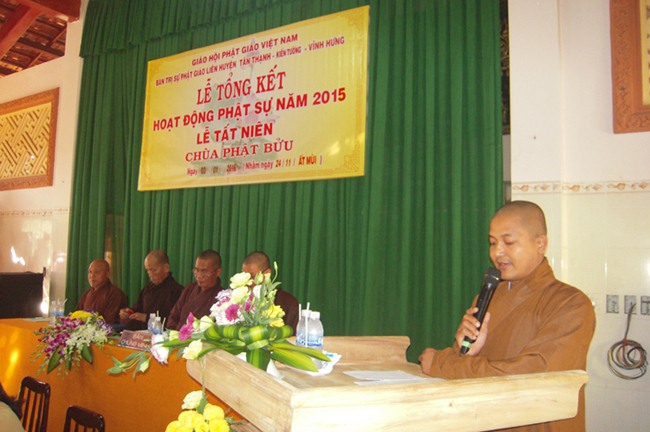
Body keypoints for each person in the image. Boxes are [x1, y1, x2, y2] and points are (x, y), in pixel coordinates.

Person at [419, 201, 596, 432]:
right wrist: (463, 349)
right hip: (482, 420)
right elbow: (467, 371)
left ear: (540, 244)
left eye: (508, 242)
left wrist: (444, 362)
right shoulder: (488, 296)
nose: (497, 253)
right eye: (493, 243)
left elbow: (533, 375)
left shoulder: (571, 303)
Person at [119, 250, 184, 330]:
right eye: (148, 270)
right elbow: (137, 309)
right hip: (142, 333)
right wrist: (127, 312)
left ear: (166, 268)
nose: (150, 274)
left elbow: (174, 321)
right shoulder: (148, 288)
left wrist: (147, 318)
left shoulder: (177, 291)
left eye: (154, 270)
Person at [241, 251, 299, 333]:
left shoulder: (287, 302)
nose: (248, 282)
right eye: (244, 277)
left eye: (252, 276)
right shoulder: (239, 299)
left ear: (267, 273)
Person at [166, 249, 224, 330]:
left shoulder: (221, 298)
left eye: (204, 271)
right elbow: (174, 315)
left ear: (218, 272)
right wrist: (173, 332)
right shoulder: (189, 289)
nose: (199, 276)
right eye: (196, 270)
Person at [75, 259, 128, 324]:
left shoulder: (115, 294)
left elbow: (109, 320)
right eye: (90, 272)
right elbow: (76, 314)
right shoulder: (87, 294)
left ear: (107, 274)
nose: (92, 276)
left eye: (97, 272)